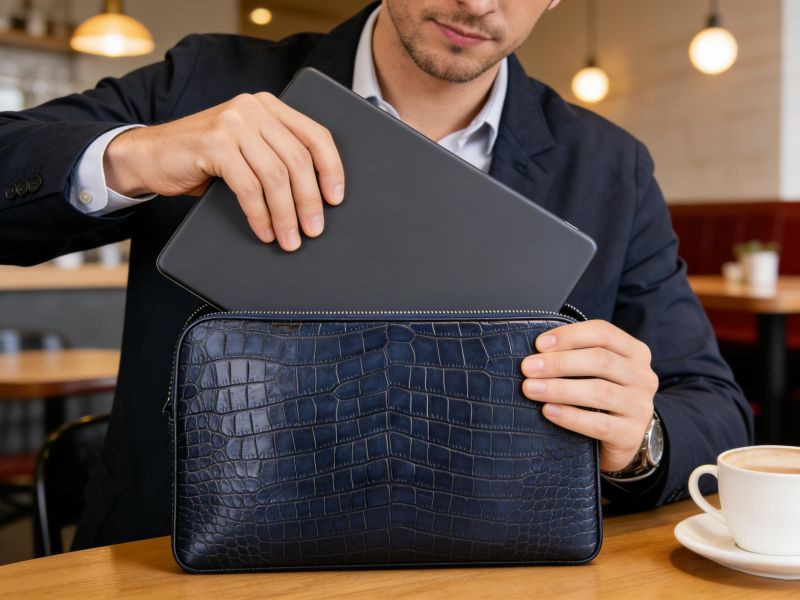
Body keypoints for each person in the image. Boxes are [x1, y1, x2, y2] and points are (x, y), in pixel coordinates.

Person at [0, 0, 752, 550]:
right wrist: (137, 153)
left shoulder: (612, 168)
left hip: (482, 569)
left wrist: (638, 437)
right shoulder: (205, 80)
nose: (477, 4)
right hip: (171, 553)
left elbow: (714, 407)